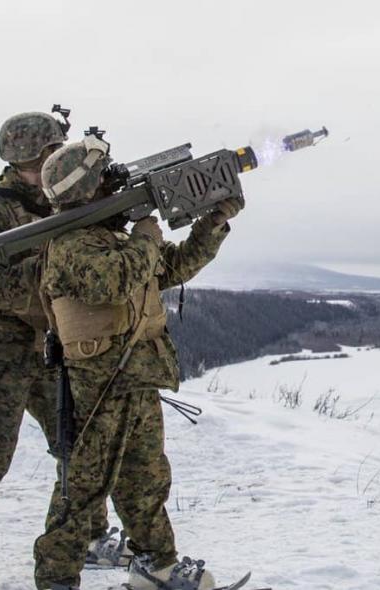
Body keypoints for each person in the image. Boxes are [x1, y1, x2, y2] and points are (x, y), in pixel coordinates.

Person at [0, 112, 127, 590]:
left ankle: (91, 537)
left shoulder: (60, 195)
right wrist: (54, 269)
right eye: (48, 153)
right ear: (26, 157)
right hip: (0, 346)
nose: (56, 159)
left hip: (49, 341)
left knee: (77, 441)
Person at [32, 139, 242, 590]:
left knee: (145, 477)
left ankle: (156, 564)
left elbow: (175, 266)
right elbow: (117, 279)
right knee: (85, 484)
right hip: (101, 378)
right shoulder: (70, 244)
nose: (114, 183)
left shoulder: (111, 238)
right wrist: (147, 233)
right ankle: (55, 578)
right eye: (105, 178)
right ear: (87, 189)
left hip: (136, 373)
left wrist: (215, 220)